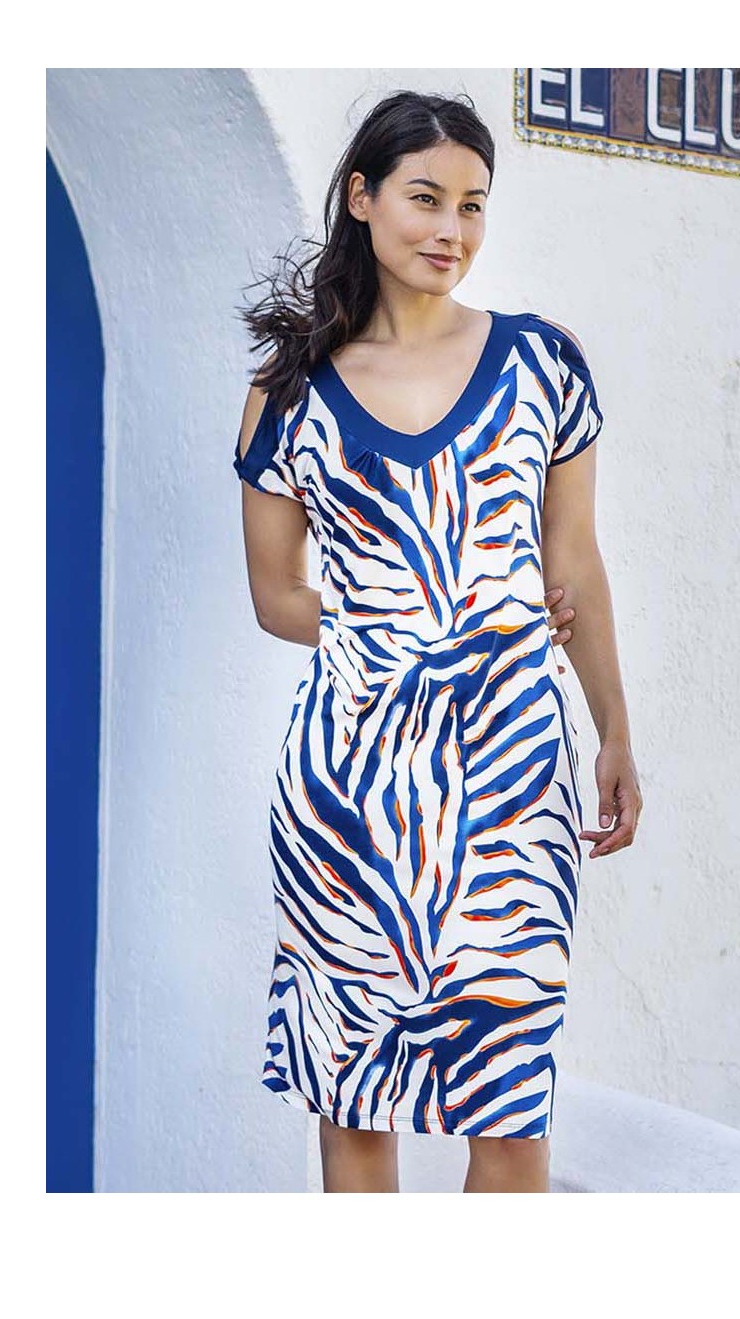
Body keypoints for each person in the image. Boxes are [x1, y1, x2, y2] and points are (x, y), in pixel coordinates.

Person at [233, 89, 641, 1193]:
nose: (451, 229)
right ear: (361, 198)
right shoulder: (288, 391)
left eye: (472, 204)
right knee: (354, 1105)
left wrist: (612, 729)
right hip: (350, 784)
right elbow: (276, 597)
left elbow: (573, 564)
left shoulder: (542, 363)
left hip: (512, 774)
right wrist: (415, 621)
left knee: (508, 1113)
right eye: (425, 198)